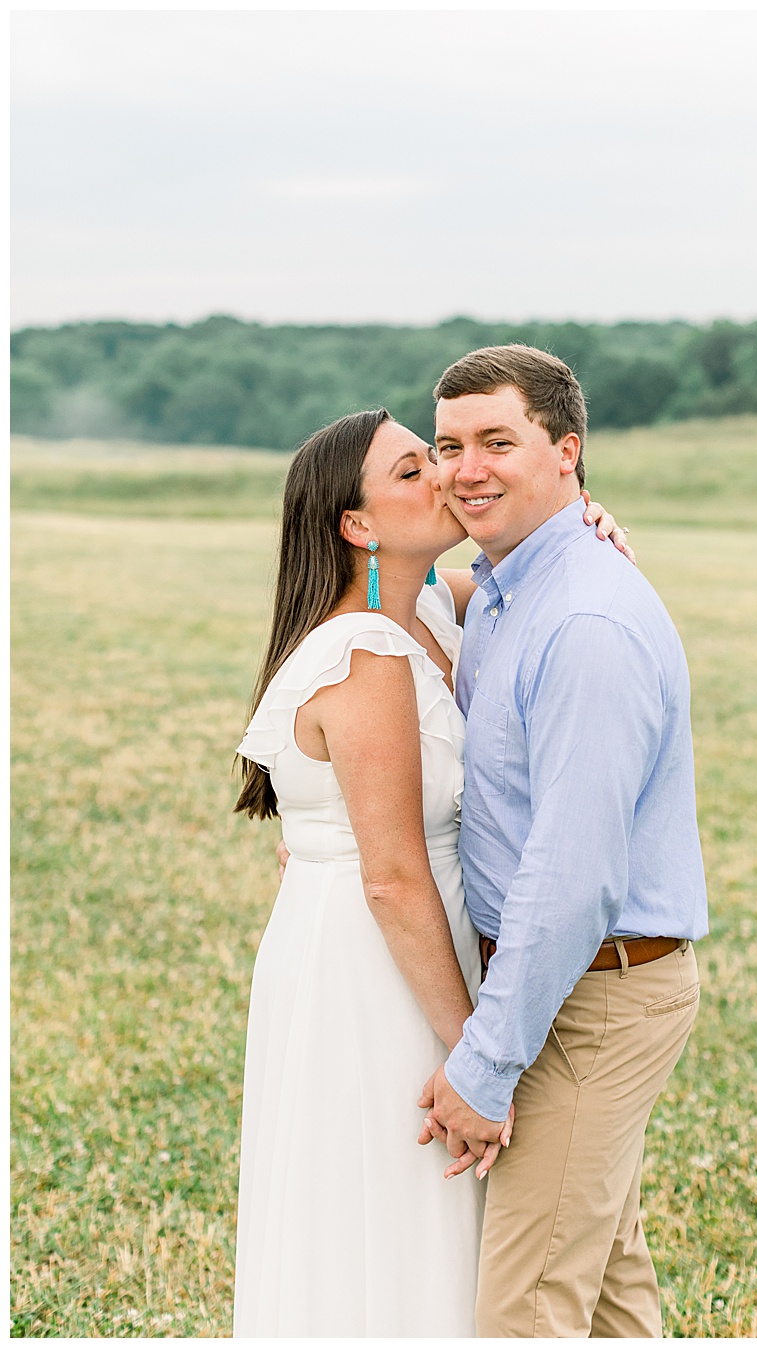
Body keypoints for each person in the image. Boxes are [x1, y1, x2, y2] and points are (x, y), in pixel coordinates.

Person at [230, 406, 628, 1336]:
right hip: (377, 959)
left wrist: (587, 523)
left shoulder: (426, 611)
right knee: (395, 1193)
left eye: (436, 456)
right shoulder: (363, 654)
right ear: (359, 527)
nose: (446, 477)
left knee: (438, 1213)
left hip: (420, 934)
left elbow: (518, 564)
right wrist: (473, 1058)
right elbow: (393, 878)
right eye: (414, 471)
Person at [414, 345, 708, 1338]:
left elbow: (573, 875)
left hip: (592, 996)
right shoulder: (502, 588)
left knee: (525, 1311)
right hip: (559, 984)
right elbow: (370, 595)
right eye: (448, 446)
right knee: (610, 1289)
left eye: (499, 440)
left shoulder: (583, 616)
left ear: (566, 451)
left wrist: (484, 1063)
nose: (467, 468)